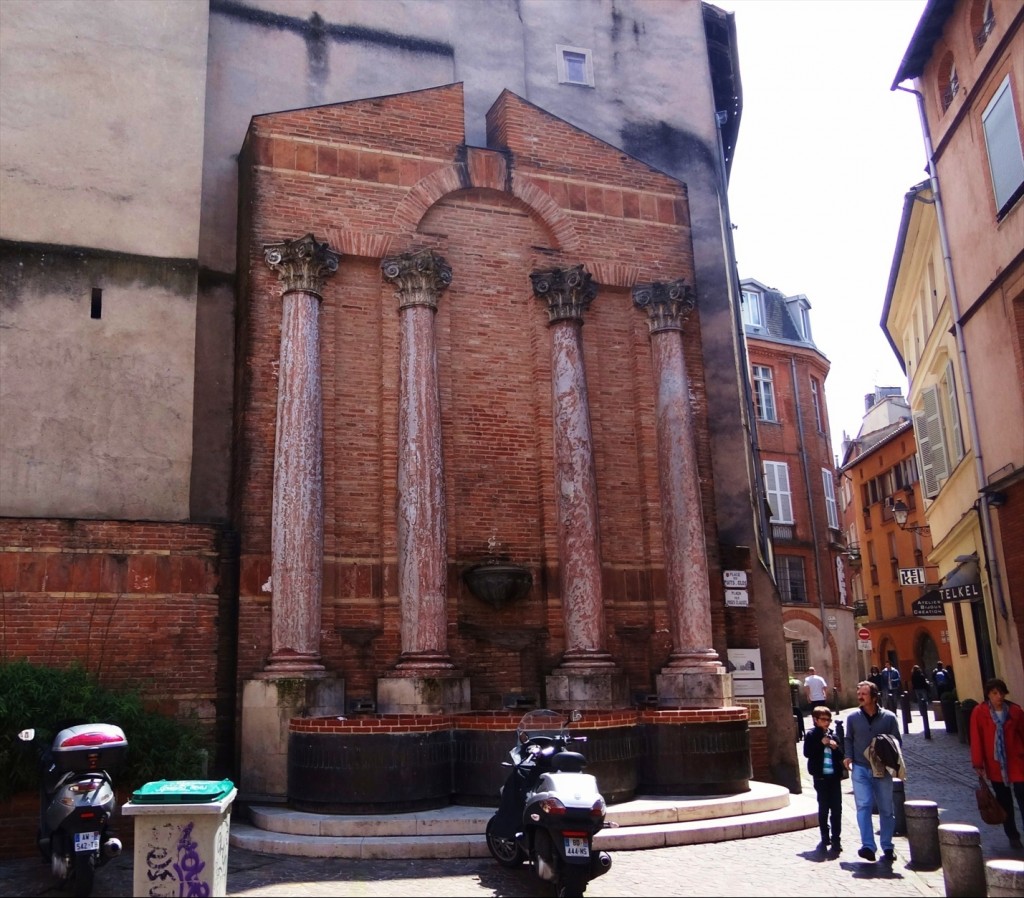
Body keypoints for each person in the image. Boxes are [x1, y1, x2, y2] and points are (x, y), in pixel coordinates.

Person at [843, 680, 903, 863]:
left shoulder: (889, 718)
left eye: (864, 694)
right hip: (860, 768)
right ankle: (868, 846)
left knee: (886, 809)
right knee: (863, 806)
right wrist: (848, 756)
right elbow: (848, 738)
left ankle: (887, 846)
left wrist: (886, 749)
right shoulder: (853, 718)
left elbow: (897, 742)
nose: (860, 697)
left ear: (874, 697)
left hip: (882, 769)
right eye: (859, 693)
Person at [970, 677, 1024, 850]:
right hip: (995, 765)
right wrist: (978, 763)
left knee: (1023, 797)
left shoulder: (1015, 711)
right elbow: (976, 739)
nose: (999, 696)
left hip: (1017, 761)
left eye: (1001, 692)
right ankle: (1013, 835)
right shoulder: (980, 712)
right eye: (995, 693)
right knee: (1004, 801)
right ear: (988, 694)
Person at [803, 705, 845, 856]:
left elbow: (841, 756)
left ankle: (836, 839)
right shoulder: (812, 735)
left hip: (834, 777)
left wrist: (835, 746)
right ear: (815, 720)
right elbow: (808, 753)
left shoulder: (833, 735)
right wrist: (821, 744)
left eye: (829, 720)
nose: (827, 722)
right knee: (824, 807)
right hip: (820, 777)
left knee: (837, 809)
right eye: (823, 720)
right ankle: (825, 836)